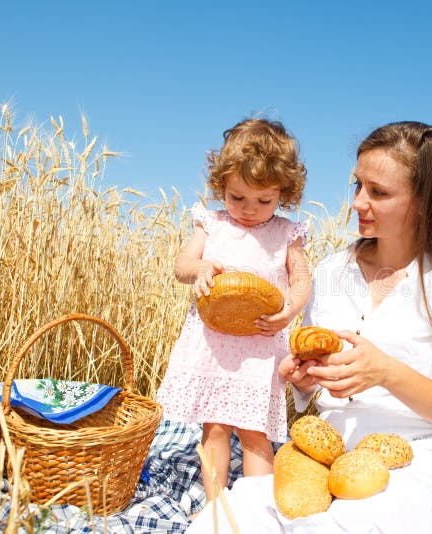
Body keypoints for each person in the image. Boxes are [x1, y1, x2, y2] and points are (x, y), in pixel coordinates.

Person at [187, 121, 432, 533]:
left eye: (378, 192)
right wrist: (302, 378)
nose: (359, 202)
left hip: (413, 460)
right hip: (322, 453)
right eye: (357, 185)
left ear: (423, 202)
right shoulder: (332, 270)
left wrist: (386, 373)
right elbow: (312, 391)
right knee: (224, 523)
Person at [156, 118, 312, 505]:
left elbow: (302, 282)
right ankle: (215, 507)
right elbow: (181, 267)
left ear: (284, 194)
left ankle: (258, 511)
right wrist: (200, 269)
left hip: (259, 344)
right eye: (237, 197)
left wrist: (289, 310)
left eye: (265, 201)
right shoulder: (212, 224)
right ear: (221, 185)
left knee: (255, 431)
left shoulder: (286, 234)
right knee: (215, 426)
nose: (249, 210)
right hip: (213, 342)